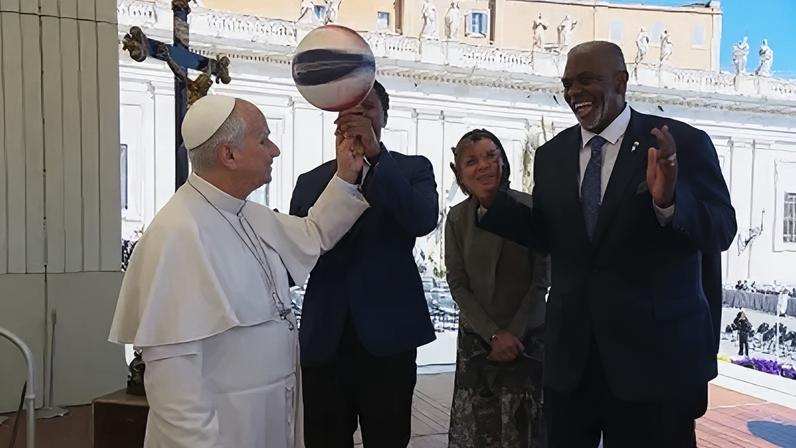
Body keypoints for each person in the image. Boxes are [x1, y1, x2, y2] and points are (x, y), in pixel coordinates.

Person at [477, 41, 737, 447]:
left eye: (586, 80)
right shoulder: (551, 155)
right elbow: (553, 236)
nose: (573, 92)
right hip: (572, 364)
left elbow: (721, 230)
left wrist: (668, 201)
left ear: (621, 81)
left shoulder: (679, 143)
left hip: (655, 367)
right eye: (567, 84)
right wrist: (495, 203)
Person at [108, 94, 371, 448]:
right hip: (224, 430)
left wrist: (345, 175)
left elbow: (313, 234)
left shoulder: (245, 212)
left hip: (265, 418)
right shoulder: (176, 234)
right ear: (228, 155)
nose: (274, 150)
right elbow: (174, 382)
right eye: (263, 139)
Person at [289, 80, 438, 447]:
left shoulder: (412, 170)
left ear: (384, 117)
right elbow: (302, 248)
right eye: (350, 111)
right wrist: (345, 177)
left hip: (389, 338)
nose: (358, 118)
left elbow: (421, 220)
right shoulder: (310, 182)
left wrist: (375, 159)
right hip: (326, 339)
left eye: (367, 109)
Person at [445, 129, 550, 448]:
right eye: (472, 160)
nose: (484, 166)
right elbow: (458, 282)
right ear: (460, 173)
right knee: (478, 432)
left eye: (491, 155)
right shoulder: (457, 218)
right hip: (478, 347)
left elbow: (540, 279)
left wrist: (513, 334)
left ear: (503, 162)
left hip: (527, 342)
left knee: (526, 431)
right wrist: (492, 334)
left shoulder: (529, 208)